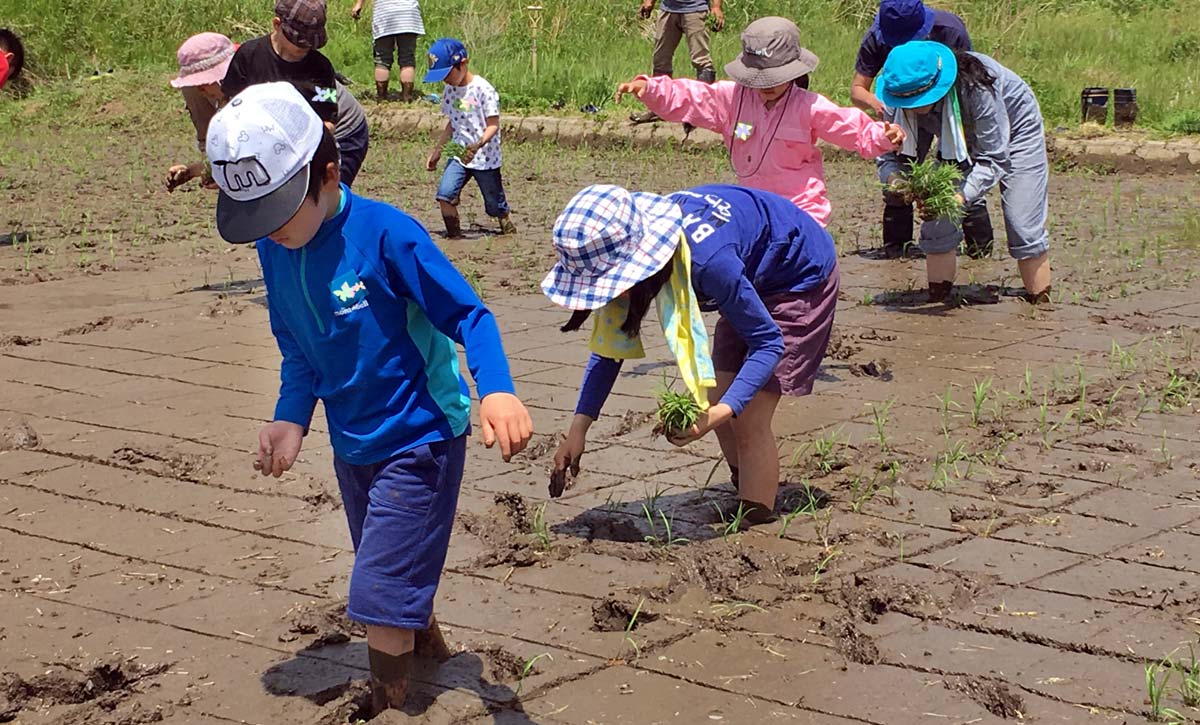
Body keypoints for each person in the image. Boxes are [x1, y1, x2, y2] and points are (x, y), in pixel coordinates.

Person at [205, 81, 534, 713]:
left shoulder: (387, 235)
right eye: (256, 224)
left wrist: (495, 389)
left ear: (327, 174)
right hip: (353, 442)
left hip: (422, 433)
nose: (269, 235)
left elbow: (470, 315)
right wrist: (290, 417)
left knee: (379, 582)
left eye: (277, 216)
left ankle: (390, 701)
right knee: (391, 559)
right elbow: (298, 346)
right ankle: (428, 648)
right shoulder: (277, 252)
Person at [546, 184, 840, 525]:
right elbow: (611, 347)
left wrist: (718, 415)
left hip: (799, 275)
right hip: (752, 269)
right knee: (718, 395)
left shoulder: (708, 262)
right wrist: (578, 430)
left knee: (747, 416)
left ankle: (757, 522)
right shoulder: (637, 246)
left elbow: (768, 343)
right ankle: (745, 481)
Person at [617, 17, 904, 227]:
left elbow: (849, 126)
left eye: (775, 78)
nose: (766, 86)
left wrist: (883, 136)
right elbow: (692, 96)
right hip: (753, 207)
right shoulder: (731, 100)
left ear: (792, 72)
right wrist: (651, 89)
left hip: (802, 211)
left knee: (793, 284)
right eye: (759, 78)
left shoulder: (808, 106)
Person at [876, 41, 1052, 304]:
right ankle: (937, 296)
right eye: (905, 103)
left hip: (1015, 132)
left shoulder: (978, 87)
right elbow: (887, 155)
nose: (909, 108)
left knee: (1021, 222)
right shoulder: (897, 93)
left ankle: (1040, 305)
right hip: (952, 136)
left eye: (916, 102)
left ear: (936, 87)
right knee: (936, 220)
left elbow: (993, 158)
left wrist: (958, 197)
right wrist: (897, 182)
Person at [850, 0, 990, 260]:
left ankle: (979, 249)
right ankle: (897, 248)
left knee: (962, 164)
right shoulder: (877, 37)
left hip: (948, 104)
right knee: (899, 168)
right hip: (903, 108)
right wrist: (884, 107)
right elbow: (857, 90)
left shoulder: (950, 30)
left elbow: (969, 84)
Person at [165, 29, 370, 190]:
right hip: (291, 135)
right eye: (196, 83)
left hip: (340, 129)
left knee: (321, 199)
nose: (201, 88)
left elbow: (286, 144)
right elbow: (225, 145)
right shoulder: (198, 93)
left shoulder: (258, 78)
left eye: (206, 81)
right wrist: (195, 171)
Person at [423, 38, 515, 238]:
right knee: (444, 195)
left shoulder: (483, 89)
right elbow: (451, 124)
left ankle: (507, 228)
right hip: (459, 154)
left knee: (495, 206)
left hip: (485, 157)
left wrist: (478, 145)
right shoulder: (450, 90)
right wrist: (437, 151)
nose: (445, 80)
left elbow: (493, 125)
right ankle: (455, 236)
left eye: (447, 74)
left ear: (462, 64)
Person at [629, 0, 724, 125]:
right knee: (660, 59)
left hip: (696, 9)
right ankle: (660, 109)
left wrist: (716, 6)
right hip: (668, 8)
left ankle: (702, 110)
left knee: (701, 60)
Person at [351, 0, 424, 102]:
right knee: (407, 58)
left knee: (382, 59)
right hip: (408, 14)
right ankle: (407, 97)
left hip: (385, 14)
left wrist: (358, 5)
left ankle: (382, 97)